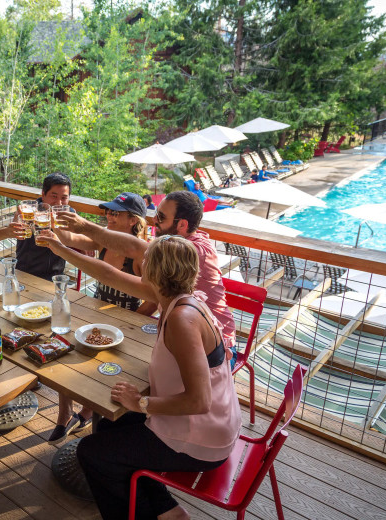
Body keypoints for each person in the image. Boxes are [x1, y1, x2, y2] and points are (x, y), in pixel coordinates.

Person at [75, 236, 242, 520]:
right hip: (213, 422)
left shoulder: (182, 319)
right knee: (106, 429)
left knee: (91, 451)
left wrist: (141, 402)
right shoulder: (182, 299)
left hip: (202, 439)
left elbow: (199, 401)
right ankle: (165, 509)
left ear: (152, 271)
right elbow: (109, 274)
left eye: (145, 258)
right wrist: (58, 247)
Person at [51, 191, 237, 355]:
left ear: (182, 225)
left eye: (161, 217)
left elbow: (133, 251)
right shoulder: (176, 244)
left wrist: (85, 227)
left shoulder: (191, 252)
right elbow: (118, 265)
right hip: (183, 334)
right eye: (156, 214)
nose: (154, 220)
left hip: (216, 347)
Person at [46, 192, 150, 444]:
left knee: (101, 368)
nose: (109, 217)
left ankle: (88, 412)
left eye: (116, 213)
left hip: (126, 323)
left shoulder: (140, 254)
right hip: (96, 314)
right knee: (60, 341)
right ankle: (64, 413)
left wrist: (127, 323)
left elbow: (153, 300)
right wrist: (52, 222)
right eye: (108, 212)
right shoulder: (104, 242)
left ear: (133, 221)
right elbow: (71, 238)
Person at [15, 173, 74, 280]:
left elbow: (74, 239)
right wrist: (18, 219)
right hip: (25, 274)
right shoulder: (28, 211)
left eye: (64, 198)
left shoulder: (69, 214)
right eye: (54, 196)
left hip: (55, 277)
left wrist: (84, 246)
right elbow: (17, 227)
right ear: (43, 194)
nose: (59, 203)